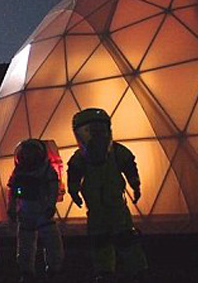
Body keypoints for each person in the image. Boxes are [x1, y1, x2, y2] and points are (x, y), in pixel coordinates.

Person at [67, 108, 148, 283]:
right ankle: (106, 271)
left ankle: (136, 269)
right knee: (100, 239)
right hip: (97, 209)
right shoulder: (82, 157)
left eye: (99, 130)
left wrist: (135, 185)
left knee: (126, 238)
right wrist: (73, 191)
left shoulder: (115, 152)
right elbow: (73, 175)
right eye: (91, 131)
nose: (96, 135)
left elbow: (130, 167)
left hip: (115, 206)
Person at [6, 139, 65, 282]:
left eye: (32, 152)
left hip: (42, 211)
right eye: (27, 153)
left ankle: (53, 268)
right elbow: (13, 191)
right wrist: (12, 208)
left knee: (52, 242)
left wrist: (50, 206)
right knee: (25, 244)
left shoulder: (46, 171)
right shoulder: (19, 172)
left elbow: (53, 190)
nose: (29, 156)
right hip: (26, 211)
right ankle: (26, 271)